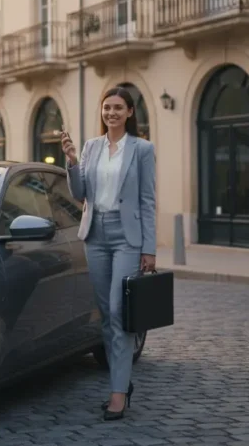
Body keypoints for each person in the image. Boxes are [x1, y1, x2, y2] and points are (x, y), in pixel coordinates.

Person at [60, 86, 156, 421]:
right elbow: (79, 194)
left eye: (118, 108)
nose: (111, 113)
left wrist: (150, 248)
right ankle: (121, 382)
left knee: (119, 310)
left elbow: (147, 200)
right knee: (105, 311)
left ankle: (118, 392)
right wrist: (71, 161)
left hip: (127, 236)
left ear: (130, 112)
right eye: (106, 108)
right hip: (95, 233)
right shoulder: (91, 147)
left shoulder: (142, 149)